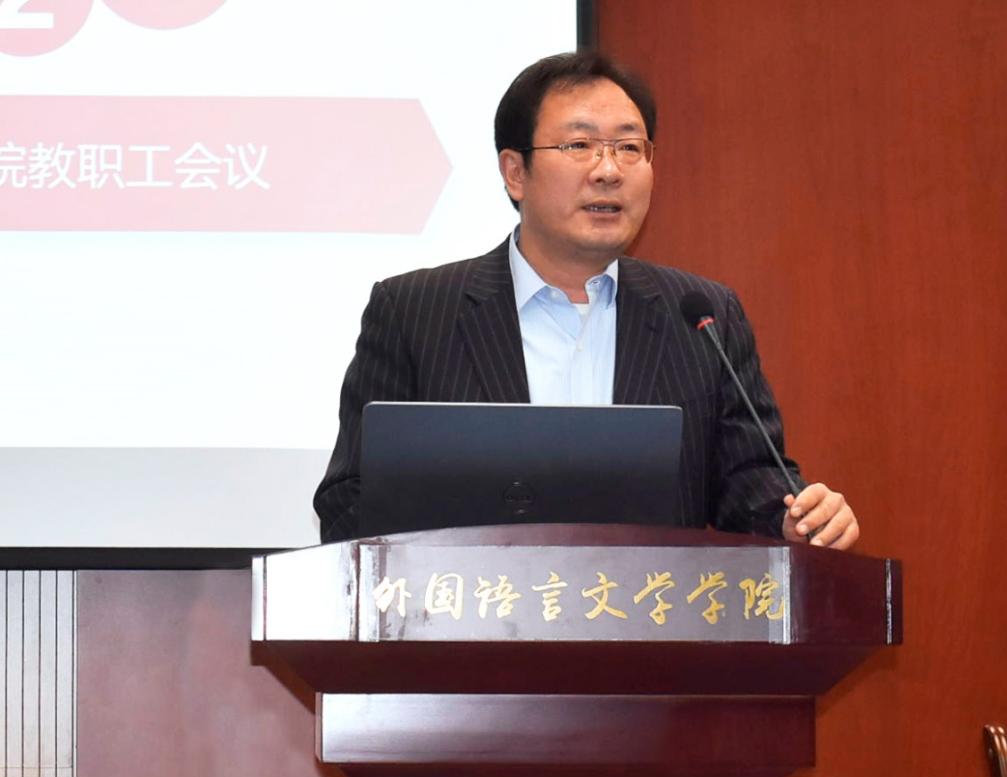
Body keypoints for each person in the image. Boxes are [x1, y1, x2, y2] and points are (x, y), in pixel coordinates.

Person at [314, 51, 859, 549]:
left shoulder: (702, 316)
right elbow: (349, 500)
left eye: (629, 148)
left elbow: (750, 478)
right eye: (578, 146)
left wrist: (794, 516)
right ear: (515, 172)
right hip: (466, 618)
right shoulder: (414, 312)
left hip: (645, 619)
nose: (608, 170)